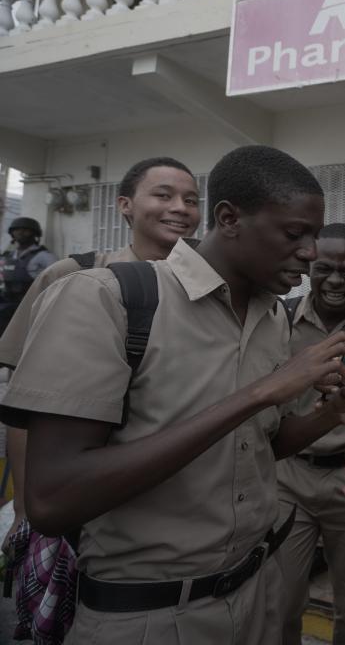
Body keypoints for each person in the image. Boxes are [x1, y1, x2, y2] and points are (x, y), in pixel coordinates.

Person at [0, 145, 345, 644]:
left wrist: (330, 414)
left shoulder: (273, 316)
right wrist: (259, 393)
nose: (310, 252)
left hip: (257, 595)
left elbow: (260, 446)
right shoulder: (106, 297)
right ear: (229, 218)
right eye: (294, 234)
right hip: (147, 615)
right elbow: (52, 498)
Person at [0, 157, 202, 553]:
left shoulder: (208, 288)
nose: (180, 207)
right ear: (125, 204)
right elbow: (27, 412)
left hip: (171, 508)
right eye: (164, 195)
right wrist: (26, 510)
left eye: (191, 200)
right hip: (82, 500)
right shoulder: (73, 276)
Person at [275, 223, 345, 645]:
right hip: (291, 478)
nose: (336, 280)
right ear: (309, 266)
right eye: (324, 268)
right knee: (282, 601)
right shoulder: (281, 318)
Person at [0, 217, 56, 335]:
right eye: (17, 230)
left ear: (35, 234)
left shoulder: (44, 256)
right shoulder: (8, 255)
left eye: (25, 230)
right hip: (8, 300)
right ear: (12, 234)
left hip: (30, 303)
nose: (20, 233)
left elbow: (56, 279)